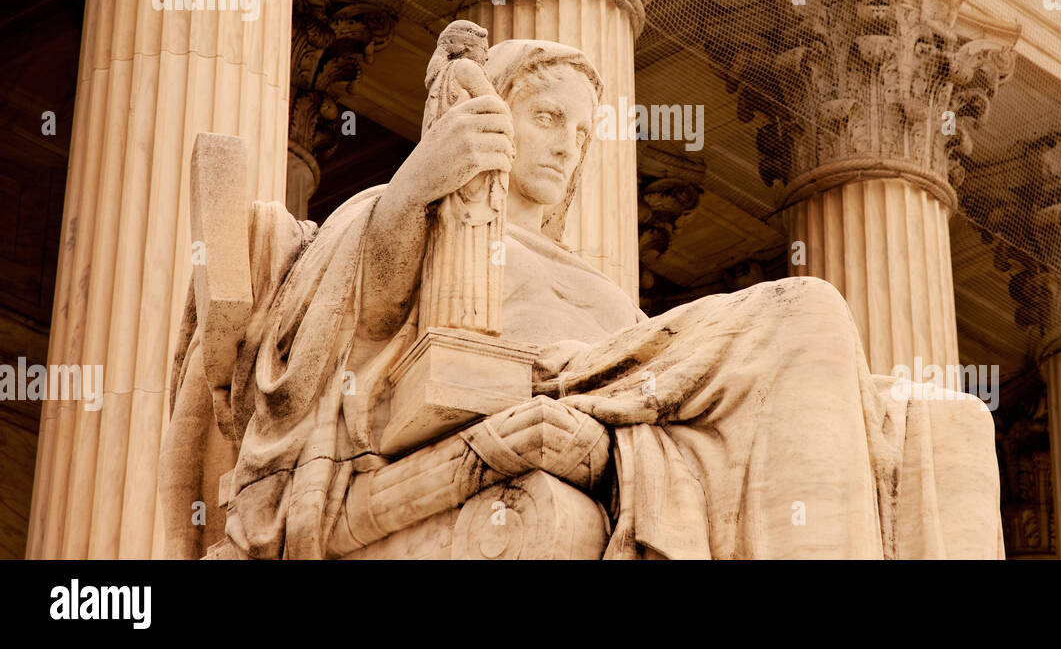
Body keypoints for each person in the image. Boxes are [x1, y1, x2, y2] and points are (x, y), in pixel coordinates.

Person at [160, 29, 1003, 559]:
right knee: (808, 308)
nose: (568, 147)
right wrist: (423, 180)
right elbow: (375, 320)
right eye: (547, 119)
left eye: (581, 130)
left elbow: (662, 380)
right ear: (496, 117)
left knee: (952, 423)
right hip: (557, 391)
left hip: (630, 400)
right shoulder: (405, 213)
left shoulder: (596, 279)